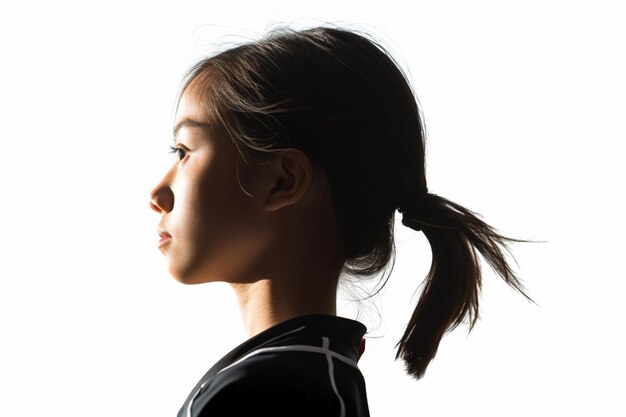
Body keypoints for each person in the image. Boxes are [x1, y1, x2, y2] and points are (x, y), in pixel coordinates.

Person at [148, 25, 533, 417]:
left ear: (283, 181)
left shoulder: (268, 394)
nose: (157, 195)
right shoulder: (306, 380)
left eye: (184, 151)